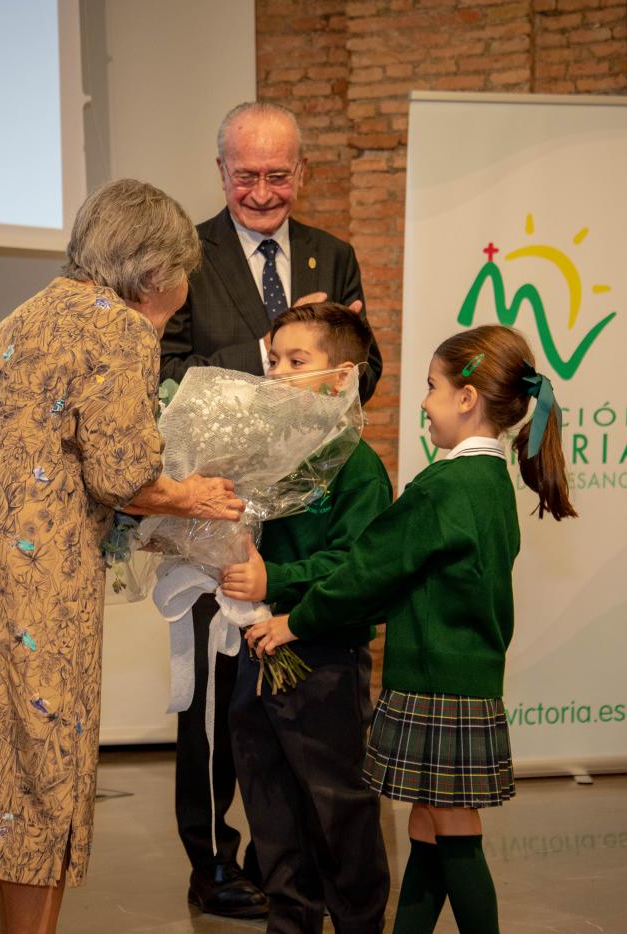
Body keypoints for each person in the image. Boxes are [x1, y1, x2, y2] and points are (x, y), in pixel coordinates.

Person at [0, 179, 246, 934]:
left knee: (5, 770)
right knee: (45, 768)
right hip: (39, 582)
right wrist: (198, 496)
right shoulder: (116, 328)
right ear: (155, 272)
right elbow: (124, 476)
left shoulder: (25, 314)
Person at [246, 325, 578, 934]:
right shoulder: (488, 482)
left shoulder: (445, 486)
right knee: (428, 827)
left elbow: (369, 572)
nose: (423, 401)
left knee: (455, 835)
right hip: (464, 679)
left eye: (431, 387)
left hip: (437, 682)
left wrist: (296, 621)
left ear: (467, 398)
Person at [159, 100, 384, 920]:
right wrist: (268, 352)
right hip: (215, 515)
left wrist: (335, 350)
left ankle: (283, 863)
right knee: (217, 708)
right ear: (220, 171)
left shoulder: (336, 252)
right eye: (246, 175)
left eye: (278, 174)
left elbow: (366, 369)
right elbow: (170, 371)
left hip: (306, 521)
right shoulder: (186, 255)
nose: (262, 191)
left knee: (288, 725)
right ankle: (214, 864)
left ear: (302, 172)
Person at [218, 303, 391, 933]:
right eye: (272, 362)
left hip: (322, 663)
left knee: (336, 815)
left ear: (341, 378)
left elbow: (358, 567)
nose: (278, 374)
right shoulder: (267, 461)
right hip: (256, 657)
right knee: (273, 818)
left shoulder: (356, 468)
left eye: (298, 362)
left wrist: (278, 580)